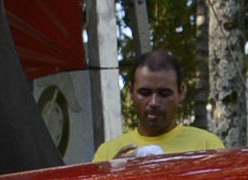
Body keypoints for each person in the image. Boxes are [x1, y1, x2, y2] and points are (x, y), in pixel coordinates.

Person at [94, 50, 225, 163]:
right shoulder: (107, 154)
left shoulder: (208, 147)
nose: (154, 102)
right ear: (131, 91)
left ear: (181, 92)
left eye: (164, 94)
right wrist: (113, 175)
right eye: (145, 93)